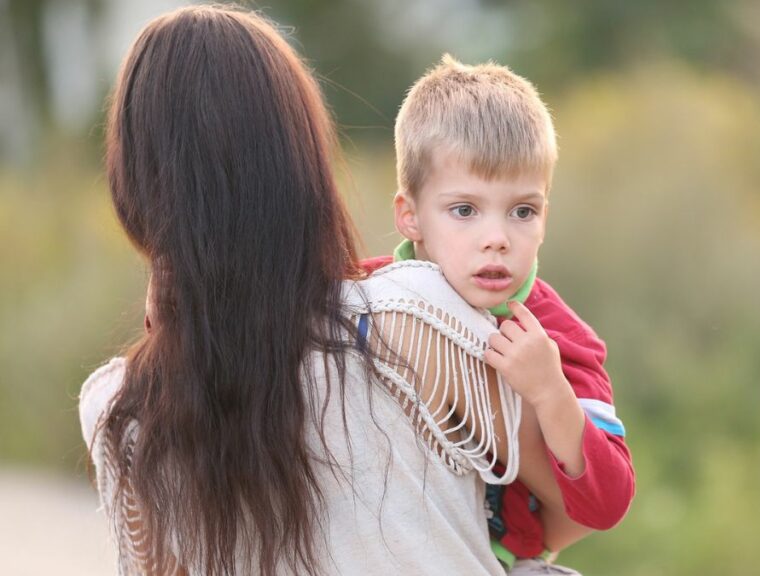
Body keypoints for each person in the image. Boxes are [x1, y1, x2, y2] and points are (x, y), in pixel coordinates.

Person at [78, 6, 562, 575]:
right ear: (301, 160)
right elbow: (565, 506)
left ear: (134, 181)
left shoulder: (121, 412)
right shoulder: (413, 317)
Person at [361, 55, 636, 573]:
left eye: (522, 211)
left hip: (495, 562)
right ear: (409, 215)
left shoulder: (555, 338)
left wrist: (550, 391)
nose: (497, 239)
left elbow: (607, 505)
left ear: (545, 218)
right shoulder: (362, 292)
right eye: (464, 210)